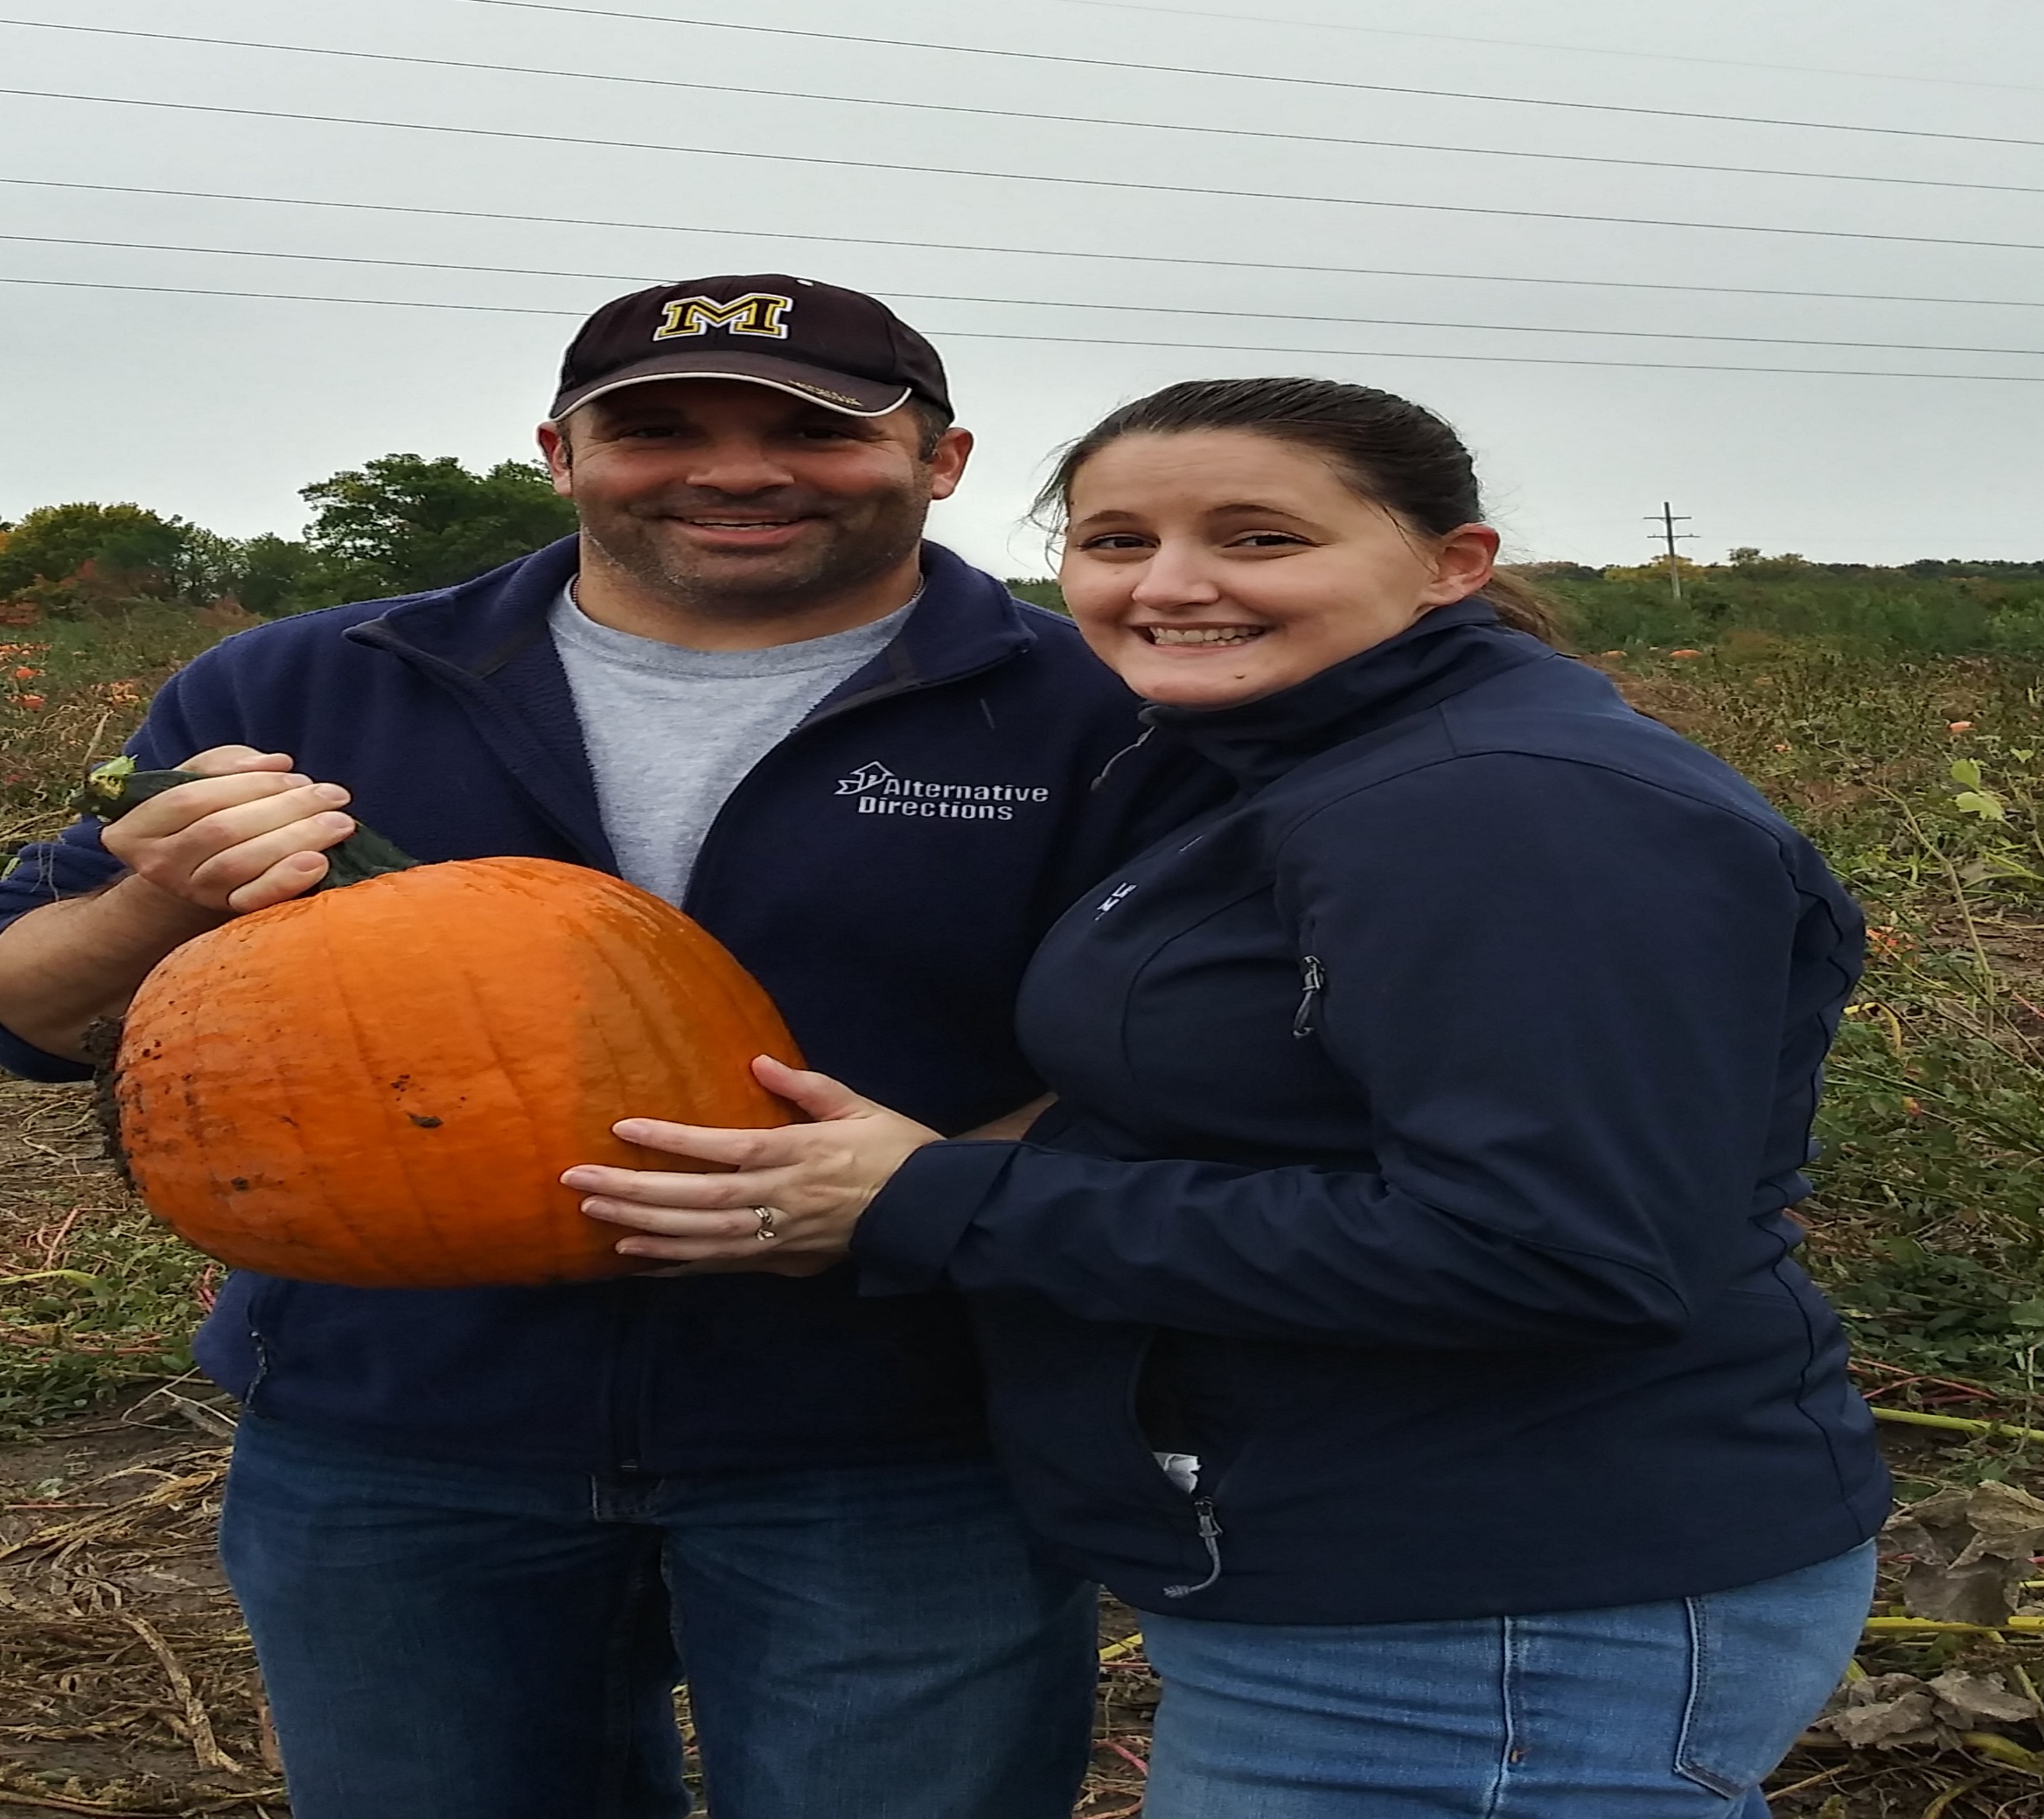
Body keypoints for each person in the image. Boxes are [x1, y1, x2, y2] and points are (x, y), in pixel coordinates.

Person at [0, 277, 1223, 1819]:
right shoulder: (304, 684)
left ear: (940, 462)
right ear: (560, 451)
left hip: (900, 1426)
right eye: (657, 427)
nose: (735, 467)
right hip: (399, 1425)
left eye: (811, 430)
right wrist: (157, 891)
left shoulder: (1108, 705)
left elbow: (1207, 1061)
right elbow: (14, 1012)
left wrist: (936, 1189)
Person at [569, 376, 1893, 1816]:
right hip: (1361, 1559)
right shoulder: (1302, 768)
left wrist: (935, 1199)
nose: (1172, 584)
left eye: (1259, 540)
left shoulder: (1509, 809)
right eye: (1116, 540)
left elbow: (1555, 1245)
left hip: (1504, 1605)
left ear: (1455, 560)